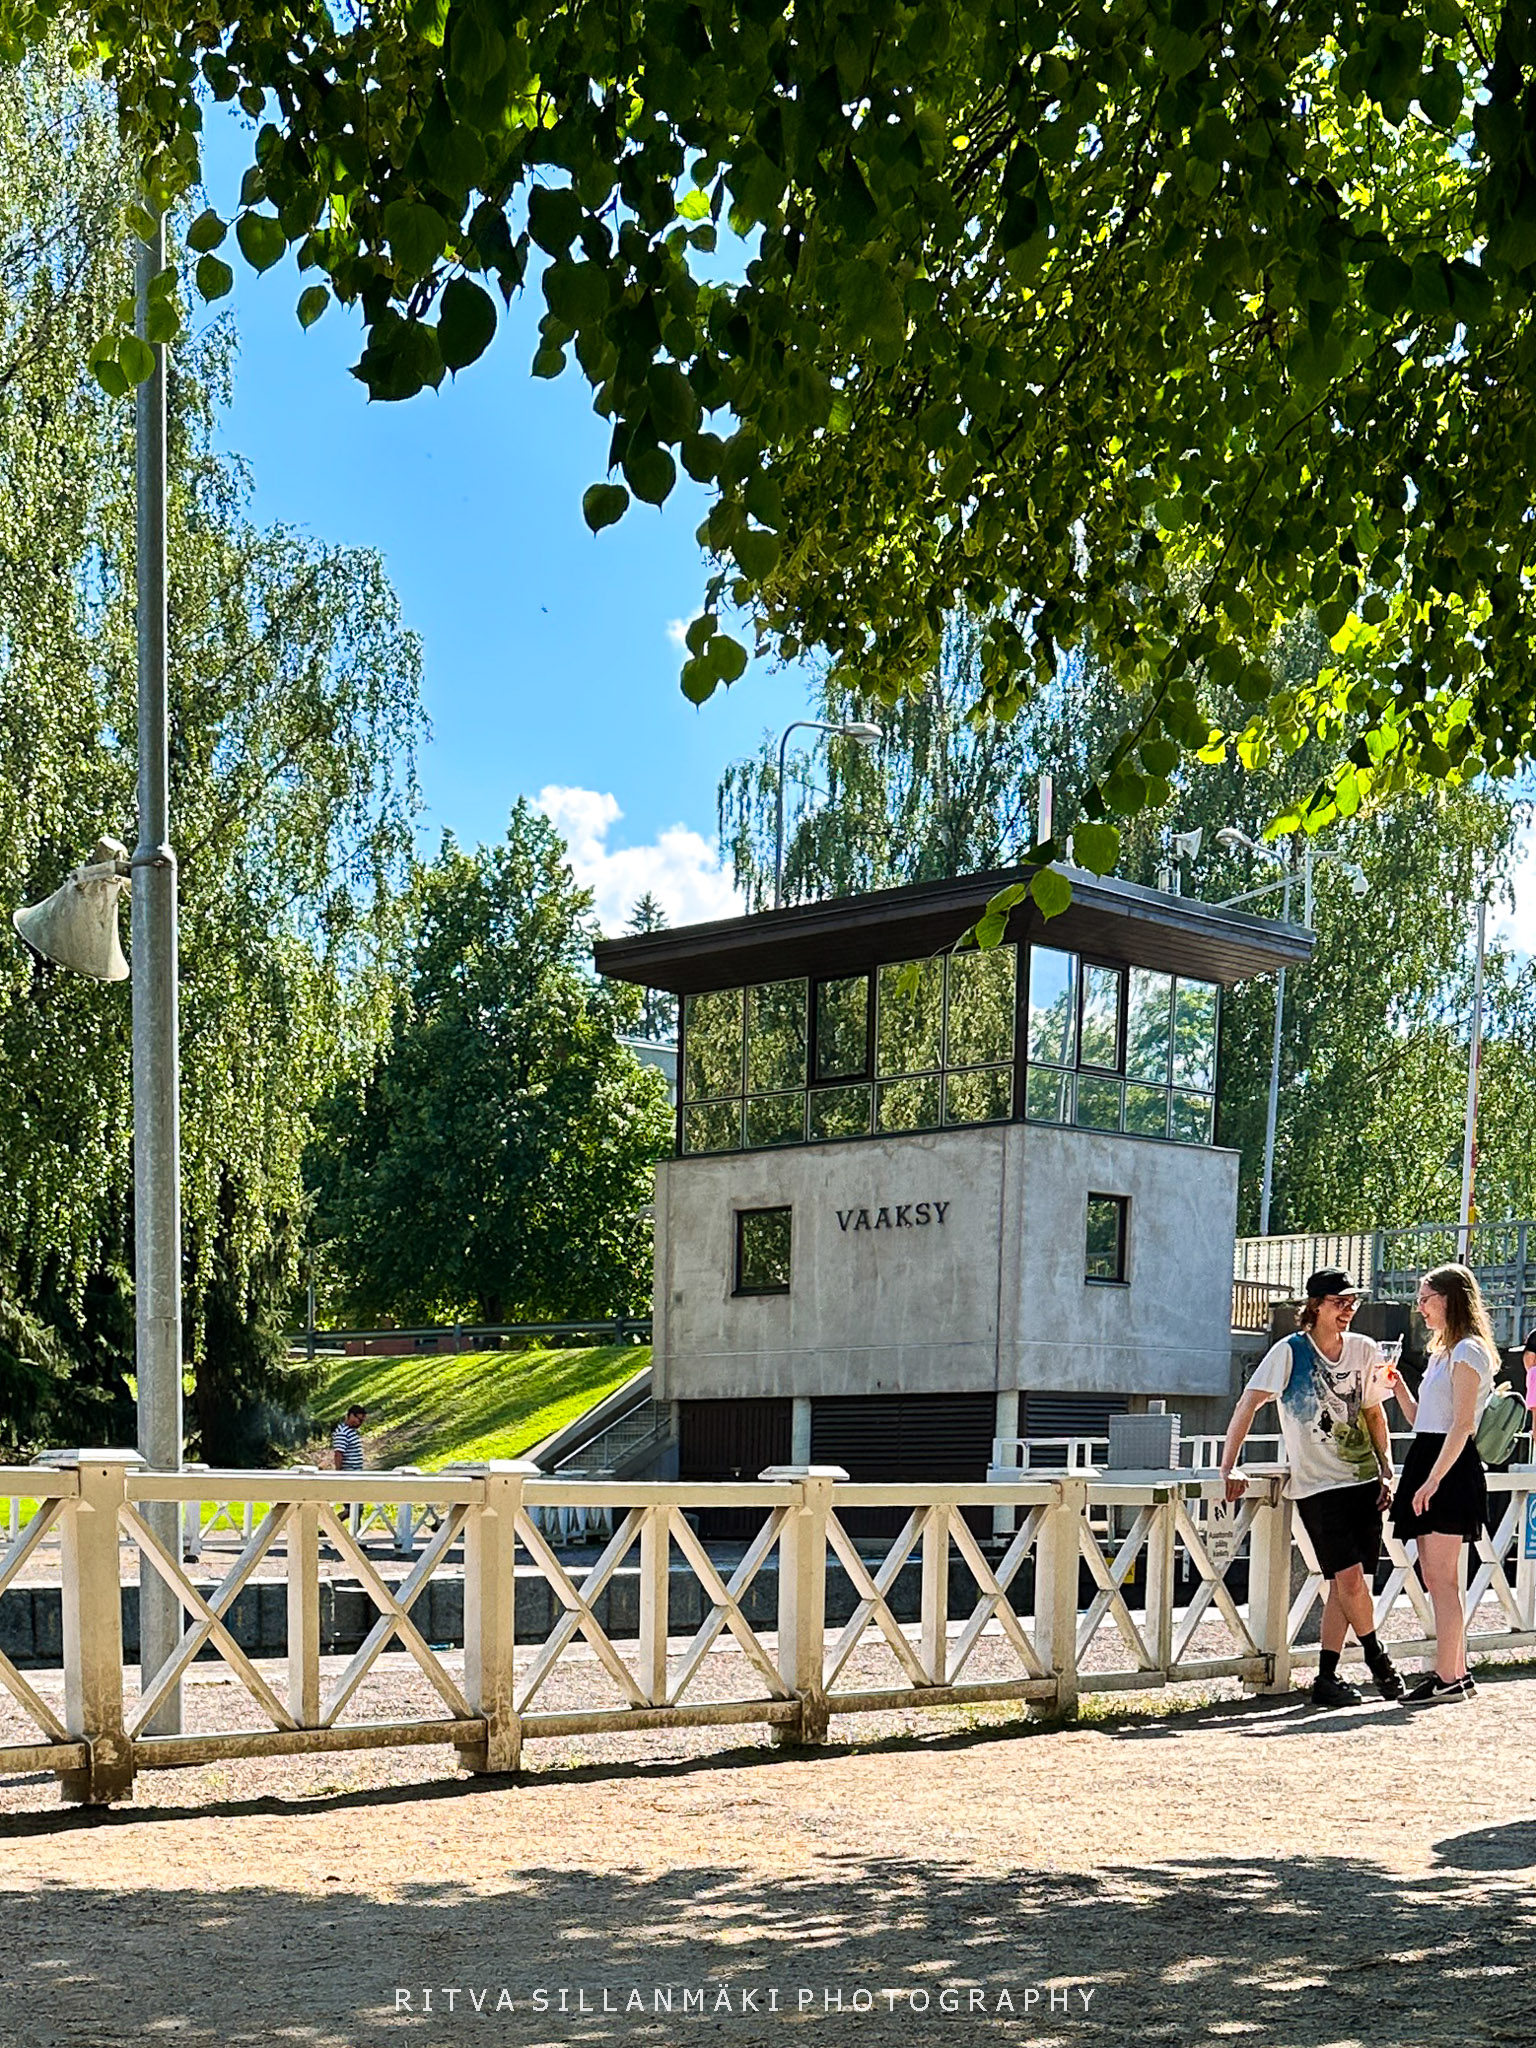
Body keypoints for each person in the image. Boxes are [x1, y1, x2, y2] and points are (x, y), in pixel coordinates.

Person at [1219, 1267, 1404, 1707]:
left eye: (1352, 1302)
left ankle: (1327, 1677)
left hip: (1363, 1480)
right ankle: (1378, 1659)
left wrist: (1386, 1469)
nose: (1348, 1310)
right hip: (1318, 1488)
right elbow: (1249, 1403)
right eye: (1340, 1302)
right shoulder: (1290, 1351)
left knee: (1345, 1584)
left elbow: (1374, 1413)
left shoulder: (1364, 1349)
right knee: (1350, 1580)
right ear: (1316, 1306)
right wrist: (1228, 1466)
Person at [1387, 1264, 1497, 1703]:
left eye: (1426, 1299)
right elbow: (1423, 1419)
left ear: (1449, 1299)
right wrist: (1398, 1387)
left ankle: (1447, 1676)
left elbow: (1463, 1424)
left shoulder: (1468, 1351)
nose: (1420, 1308)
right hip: (1432, 1456)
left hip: (1447, 1466)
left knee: (1441, 1578)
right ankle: (1456, 1671)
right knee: (1438, 1577)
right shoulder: (1443, 1353)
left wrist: (1433, 1479)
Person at [331, 1404, 368, 1471]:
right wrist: (339, 1473)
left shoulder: (351, 1430)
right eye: (359, 1420)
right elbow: (338, 1454)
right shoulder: (342, 1432)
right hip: (349, 1472)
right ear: (351, 1416)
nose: (360, 1423)